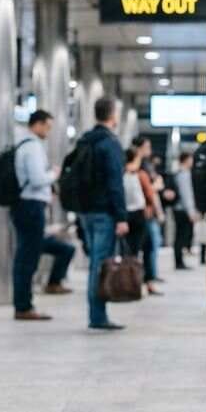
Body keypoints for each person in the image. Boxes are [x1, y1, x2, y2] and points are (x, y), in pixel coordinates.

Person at [12, 110, 77, 321]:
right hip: (30, 206)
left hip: (28, 206)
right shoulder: (32, 147)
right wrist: (54, 175)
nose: (48, 131)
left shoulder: (26, 145)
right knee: (27, 258)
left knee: (28, 254)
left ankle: (25, 302)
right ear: (37, 125)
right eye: (47, 126)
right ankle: (23, 306)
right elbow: (38, 179)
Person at [77, 96, 130, 331]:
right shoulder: (110, 143)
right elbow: (115, 184)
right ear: (112, 115)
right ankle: (97, 316)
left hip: (85, 211)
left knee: (95, 263)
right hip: (104, 213)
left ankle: (96, 313)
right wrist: (121, 216)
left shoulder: (85, 141)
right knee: (100, 264)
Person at [132, 137, 166, 286]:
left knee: (151, 245)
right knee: (148, 245)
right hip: (141, 211)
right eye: (147, 146)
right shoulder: (137, 166)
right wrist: (156, 185)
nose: (149, 150)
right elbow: (149, 189)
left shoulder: (146, 164)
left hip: (146, 211)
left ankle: (149, 277)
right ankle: (146, 279)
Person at [170, 152, 198, 270]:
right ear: (186, 160)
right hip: (182, 210)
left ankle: (179, 261)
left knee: (180, 236)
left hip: (179, 209)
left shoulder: (178, 173)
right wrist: (191, 212)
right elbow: (187, 194)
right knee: (180, 236)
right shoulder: (184, 174)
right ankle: (179, 262)